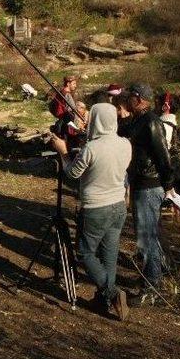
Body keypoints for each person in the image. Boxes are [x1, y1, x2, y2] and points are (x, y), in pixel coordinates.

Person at [51, 103, 132, 321]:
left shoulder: (91, 149)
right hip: (118, 207)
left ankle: (113, 293)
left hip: (96, 208)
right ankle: (104, 300)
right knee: (109, 256)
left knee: (85, 253)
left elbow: (72, 173)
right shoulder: (125, 144)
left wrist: (63, 152)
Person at [124, 83, 175, 306]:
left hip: (148, 186)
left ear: (140, 99)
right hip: (141, 184)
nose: (128, 100)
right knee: (146, 237)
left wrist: (168, 184)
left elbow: (163, 156)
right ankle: (152, 277)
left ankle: (151, 288)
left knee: (147, 239)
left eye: (131, 97)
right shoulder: (138, 120)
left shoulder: (152, 122)